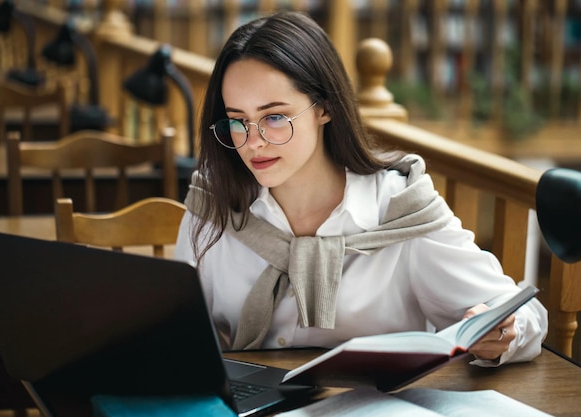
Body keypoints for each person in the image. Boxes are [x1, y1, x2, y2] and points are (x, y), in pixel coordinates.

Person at [174, 10, 547, 366]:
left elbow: (522, 313)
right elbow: (177, 331)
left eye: (274, 117)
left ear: (325, 108)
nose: (252, 142)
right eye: (238, 121)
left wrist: (503, 334)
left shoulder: (398, 209)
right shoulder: (213, 203)